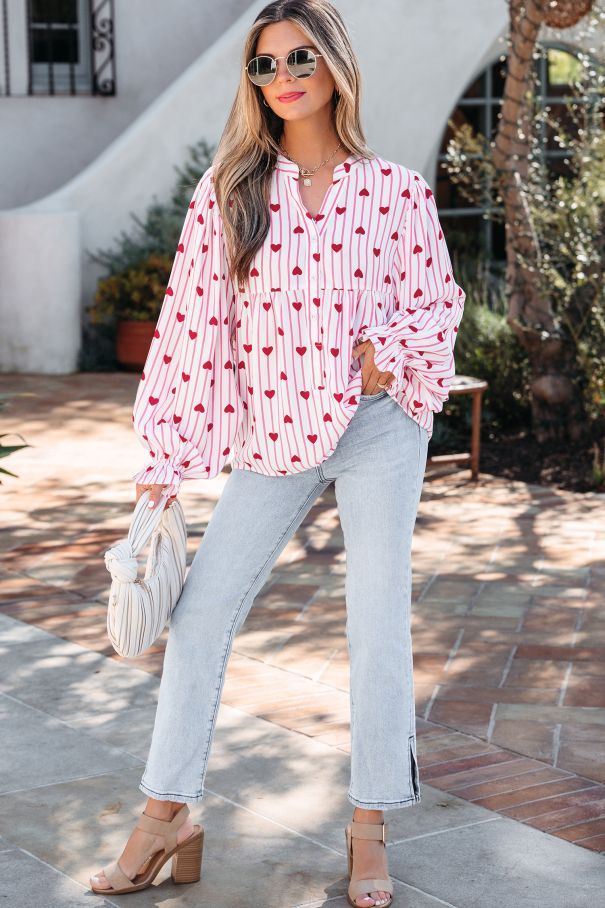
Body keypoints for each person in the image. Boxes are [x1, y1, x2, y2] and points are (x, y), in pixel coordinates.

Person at [89, 1, 465, 904]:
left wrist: (389, 352)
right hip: (275, 431)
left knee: (376, 620)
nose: (283, 76)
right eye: (264, 63)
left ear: (334, 64)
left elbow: (437, 304)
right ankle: (166, 816)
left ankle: (369, 827)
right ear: (252, 82)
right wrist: (164, 460)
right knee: (200, 614)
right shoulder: (230, 192)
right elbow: (190, 328)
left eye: (300, 57)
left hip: (379, 426)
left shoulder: (396, 191)